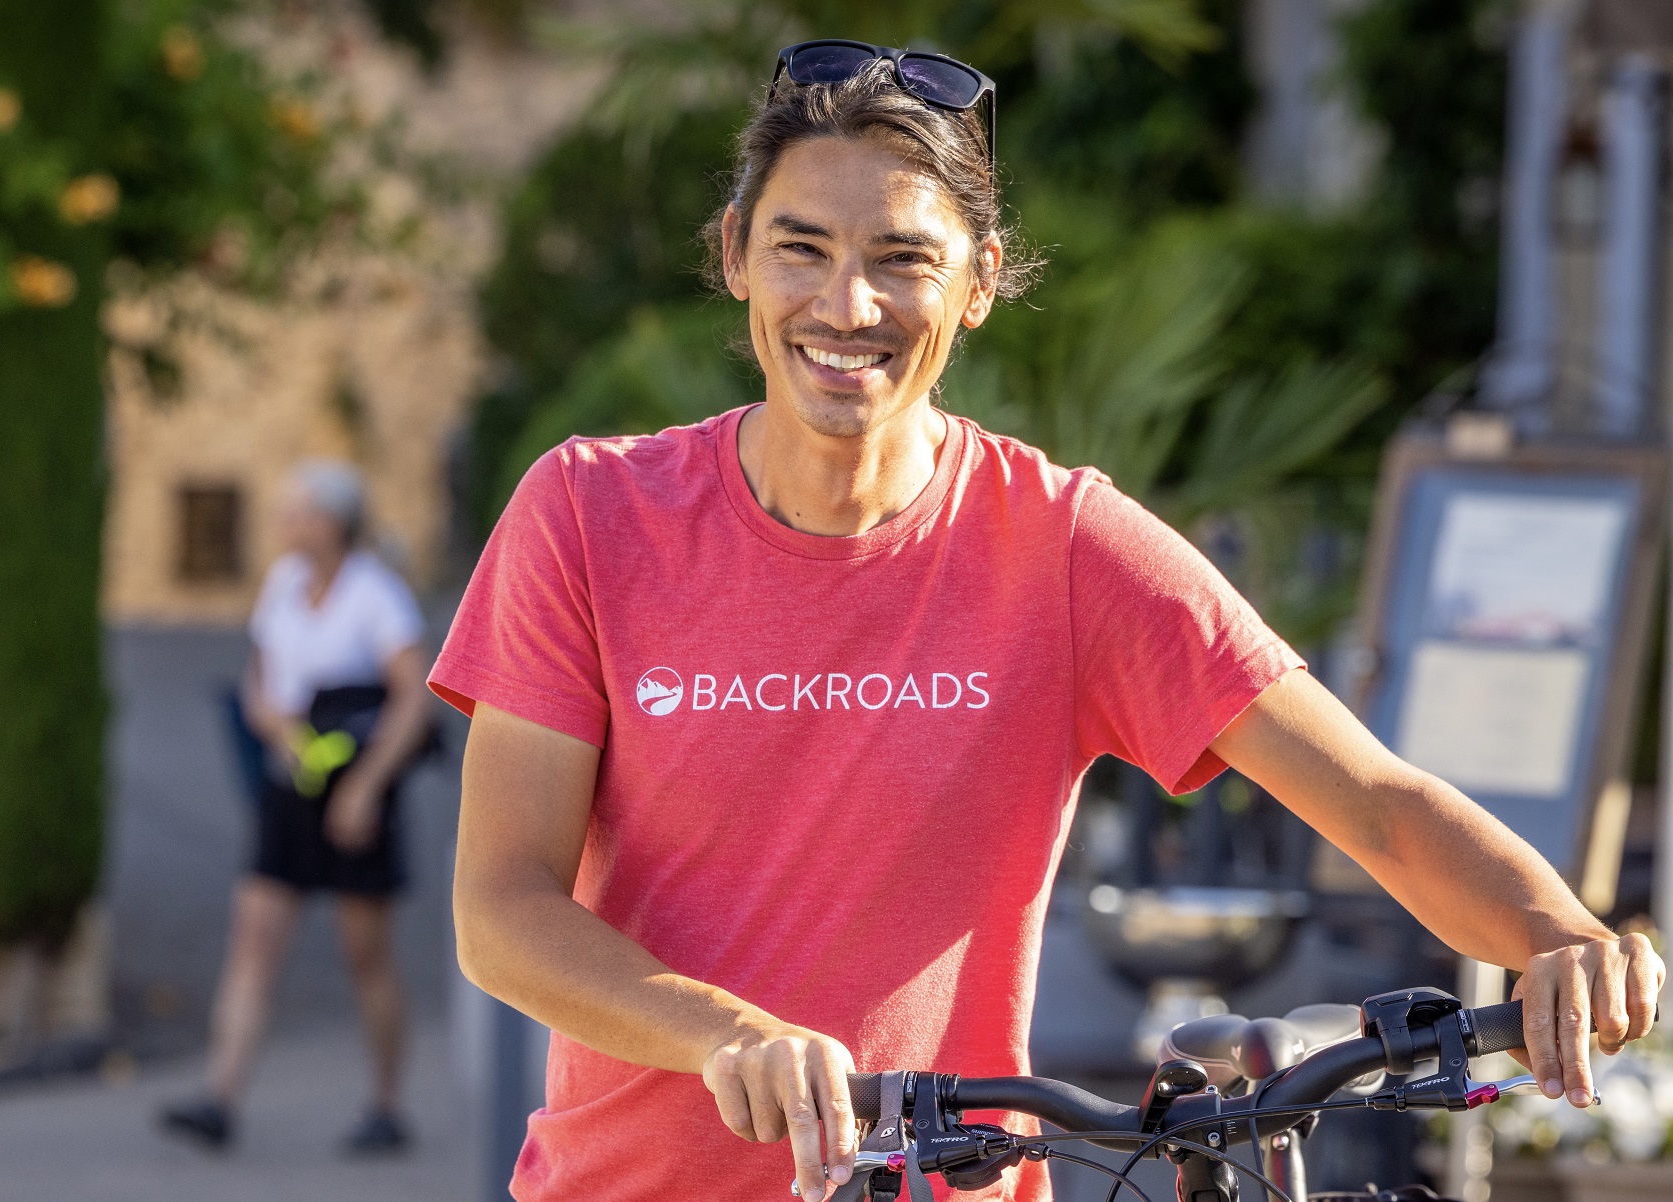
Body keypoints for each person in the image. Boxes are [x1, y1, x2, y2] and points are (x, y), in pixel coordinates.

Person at [429, 46, 1665, 1202]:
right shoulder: (590, 512)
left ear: (976, 285)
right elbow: (504, 909)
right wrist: (731, 1034)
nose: (847, 303)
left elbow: (1379, 804)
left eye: (905, 260)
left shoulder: (1061, 543)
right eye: (801, 247)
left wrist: (1561, 938)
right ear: (734, 254)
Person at [162, 460, 434, 1154]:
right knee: (253, 938)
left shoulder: (376, 596)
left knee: (364, 953)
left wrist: (366, 786)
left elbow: (412, 698)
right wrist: (270, 723)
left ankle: (386, 1105)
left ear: (331, 522)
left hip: (354, 793)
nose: (283, 524)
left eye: (296, 512)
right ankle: (219, 1097)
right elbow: (261, 675)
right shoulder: (282, 586)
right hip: (291, 790)